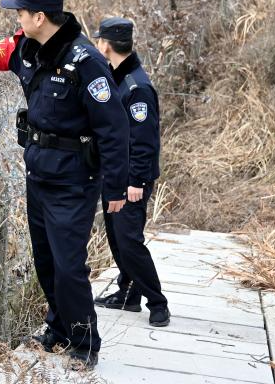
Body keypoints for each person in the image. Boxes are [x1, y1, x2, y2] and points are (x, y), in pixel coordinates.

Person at [0, 0, 130, 367]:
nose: (17, 17)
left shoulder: (86, 62)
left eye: (20, 12)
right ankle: (58, 328)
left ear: (39, 17)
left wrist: (115, 186)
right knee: (45, 261)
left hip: (75, 181)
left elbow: (114, 129)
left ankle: (84, 342)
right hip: (39, 175)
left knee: (68, 265)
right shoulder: (26, 50)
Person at [92, 17, 171, 327]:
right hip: (115, 174)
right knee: (115, 236)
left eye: (100, 41)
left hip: (131, 180)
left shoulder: (136, 88)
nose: (98, 44)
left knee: (129, 240)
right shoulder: (116, 77)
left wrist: (136, 181)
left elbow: (145, 140)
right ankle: (128, 293)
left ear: (107, 46)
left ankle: (158, 303)